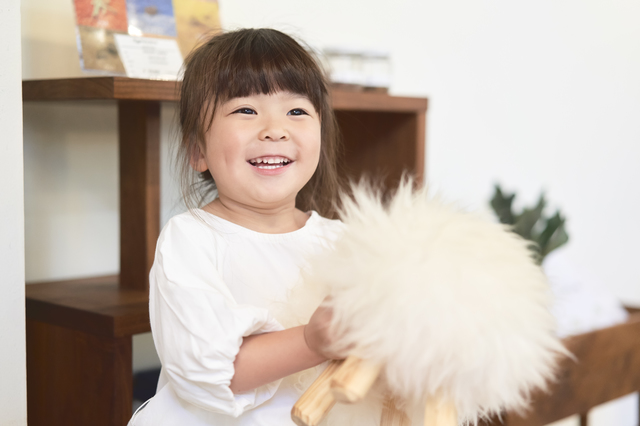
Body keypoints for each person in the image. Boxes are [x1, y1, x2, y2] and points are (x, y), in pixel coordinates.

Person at [128, 28, 349, 425]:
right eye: (246, 110)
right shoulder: (191, 240)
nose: (275, 129)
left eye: (297, 111)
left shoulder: (343, 242)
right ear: (198, 150)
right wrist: (310, 342)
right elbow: (206, 370)